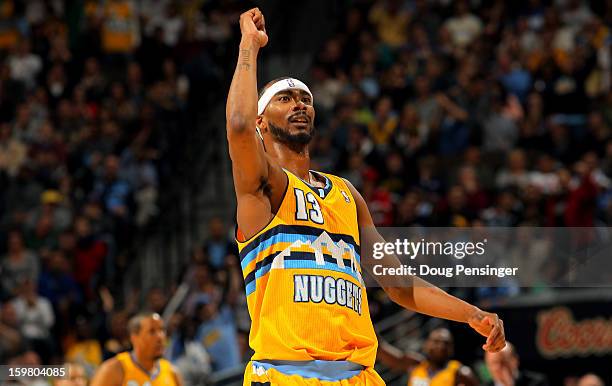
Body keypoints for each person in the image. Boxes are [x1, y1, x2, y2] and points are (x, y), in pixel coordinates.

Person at [226, 8, 505, 385]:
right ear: (263, 121)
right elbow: (239, 126)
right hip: (285, 374)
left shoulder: (346, 193)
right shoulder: (264, 186)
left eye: (305, 99)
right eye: (285, 99)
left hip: (359, 377)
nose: (299, 104)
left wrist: (470, 313)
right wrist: (249, 44)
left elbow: (399, 283)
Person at [90, 313, 182, 386]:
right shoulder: (113, 370)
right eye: (152, 331)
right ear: (134, 338)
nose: (160, 337)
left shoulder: (172, 373)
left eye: (162, 330)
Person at [378, 328, 479, 386]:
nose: (441, 346)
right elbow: (381, 350)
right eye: (436, 341)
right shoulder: (415, 364)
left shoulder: (460, 373)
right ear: (426, 344)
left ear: (451, 348)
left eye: (446, 343)